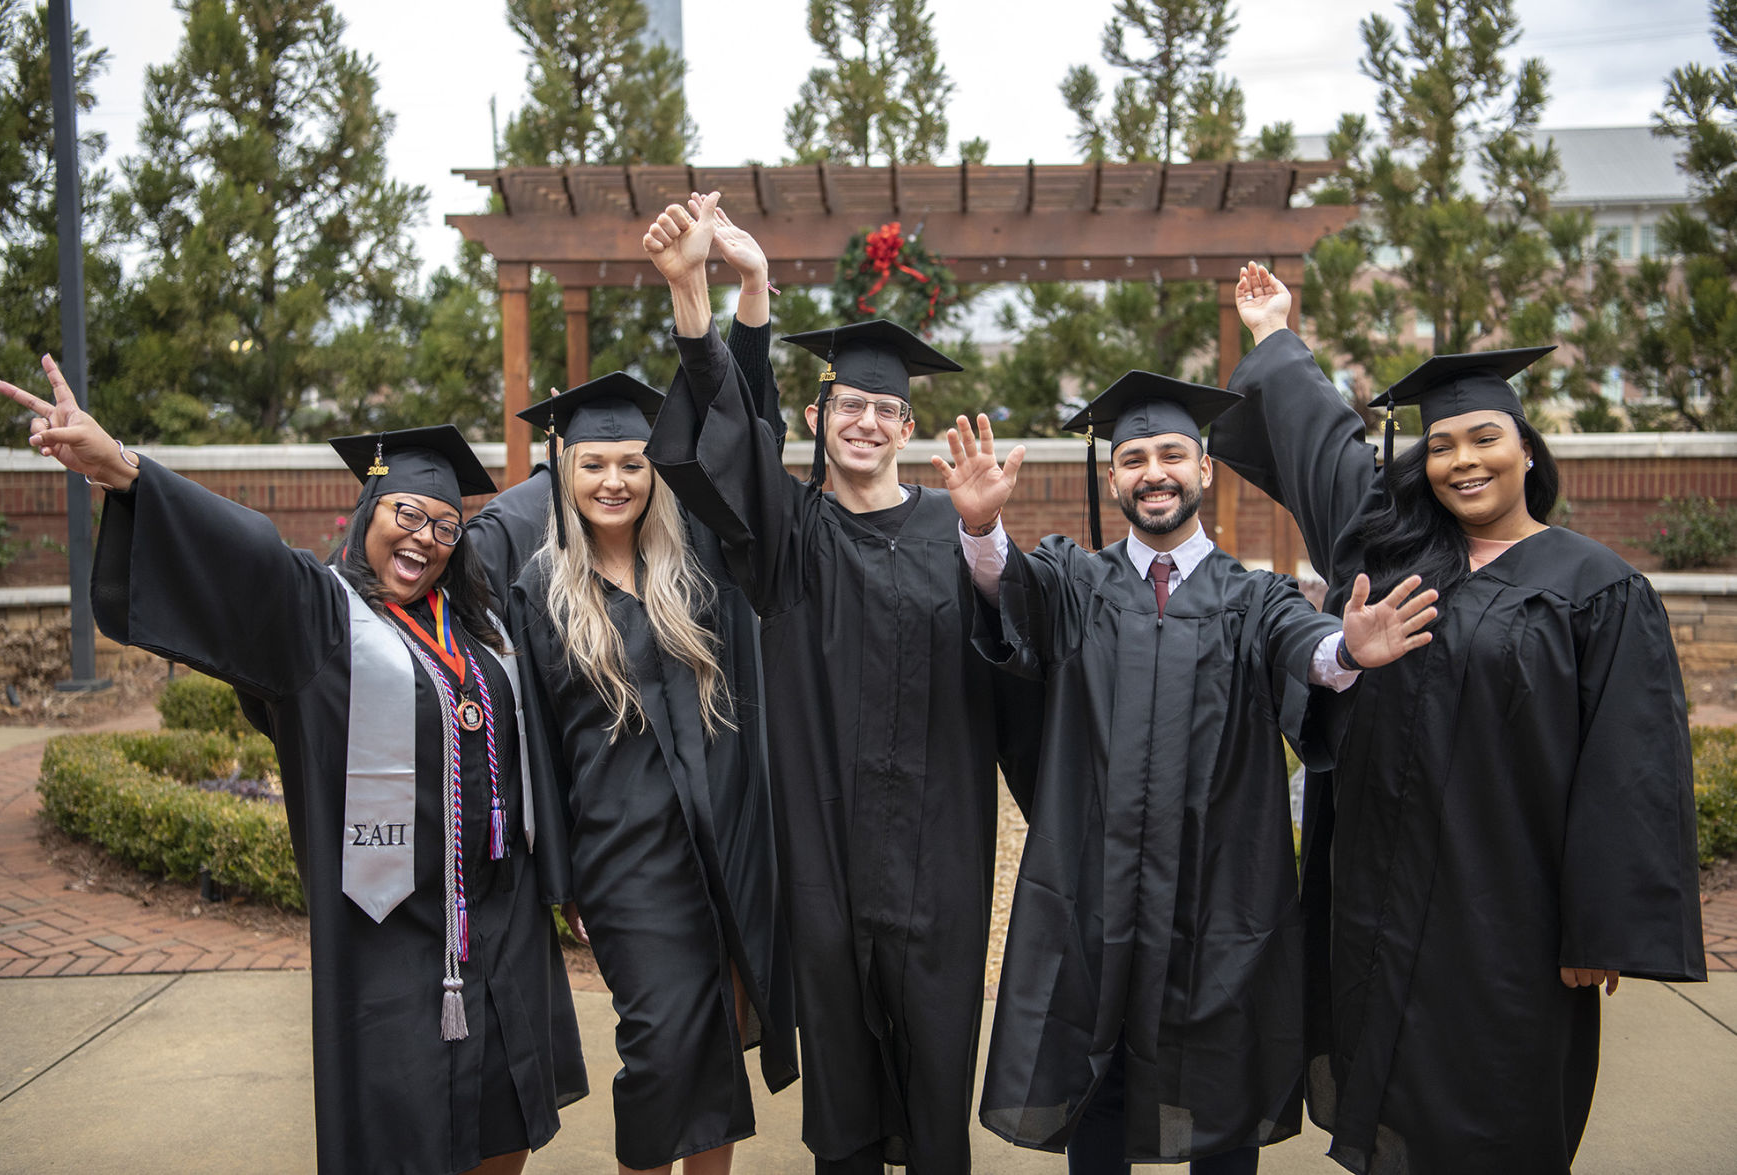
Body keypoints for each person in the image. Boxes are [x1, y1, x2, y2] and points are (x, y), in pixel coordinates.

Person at [0, 360, 587, 1175]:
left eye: (444, 527)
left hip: (503, 921)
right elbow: (247, 554)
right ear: (369, 511)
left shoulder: (480, 623)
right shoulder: (324, 618)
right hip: (392, 934)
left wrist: (584, 457)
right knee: (403, 1131)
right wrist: (121, 469)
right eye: (405, 513)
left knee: (505, 1113)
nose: (423, 537)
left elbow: (527, 515)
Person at [1210, 262, 1707, 1174]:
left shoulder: (1594, 586)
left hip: (1505, 910)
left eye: (1484, 438)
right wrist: (1276, 337)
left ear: (1526, 450)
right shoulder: (1393, 555)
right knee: (1388, 1102)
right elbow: (1325, 448)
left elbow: (1629, 763)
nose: (1462, 460)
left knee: (1500, 1103)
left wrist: (1596, 926)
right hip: (1377, 900)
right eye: (1441, 447)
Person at [932, 380, 1436, 1175]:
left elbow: (1303, 642)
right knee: (1096, 1077)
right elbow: (1010, 596)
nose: (1152, 472)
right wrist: (981, 524)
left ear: (1204, 467)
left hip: (1218, 892)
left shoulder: (1252, 594)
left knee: (1220, 1080)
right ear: (1112, 480)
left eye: (1170, 454)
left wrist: (1345, 652)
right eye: (1132, 459)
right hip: (1095, 888)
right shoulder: (1075, 581)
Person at [641, 191, 1033, 1174]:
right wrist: (729, 292)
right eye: (847, 404)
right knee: (845, 1094)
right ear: (820, 415)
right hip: (826, 856)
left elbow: (1019, 647)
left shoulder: (958, 530)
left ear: (908, 423)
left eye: (883, 407)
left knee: (938, 1066)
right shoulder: (790, 538)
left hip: (940, 856)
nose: (864, 420)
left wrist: (987, 537)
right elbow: (729, 438)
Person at [508, 360, 796, 1175]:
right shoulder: (541, 592)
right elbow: (537, 748)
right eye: (593, 463)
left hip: (722, 847)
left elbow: (746, 455)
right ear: (565, 472)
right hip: (624, 860)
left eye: (632, 462)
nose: (613, 479)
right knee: (661, 1049)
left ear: (654, 472)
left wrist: (730, 308)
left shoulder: (695, 565)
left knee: (712, 1047)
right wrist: (563, 884)